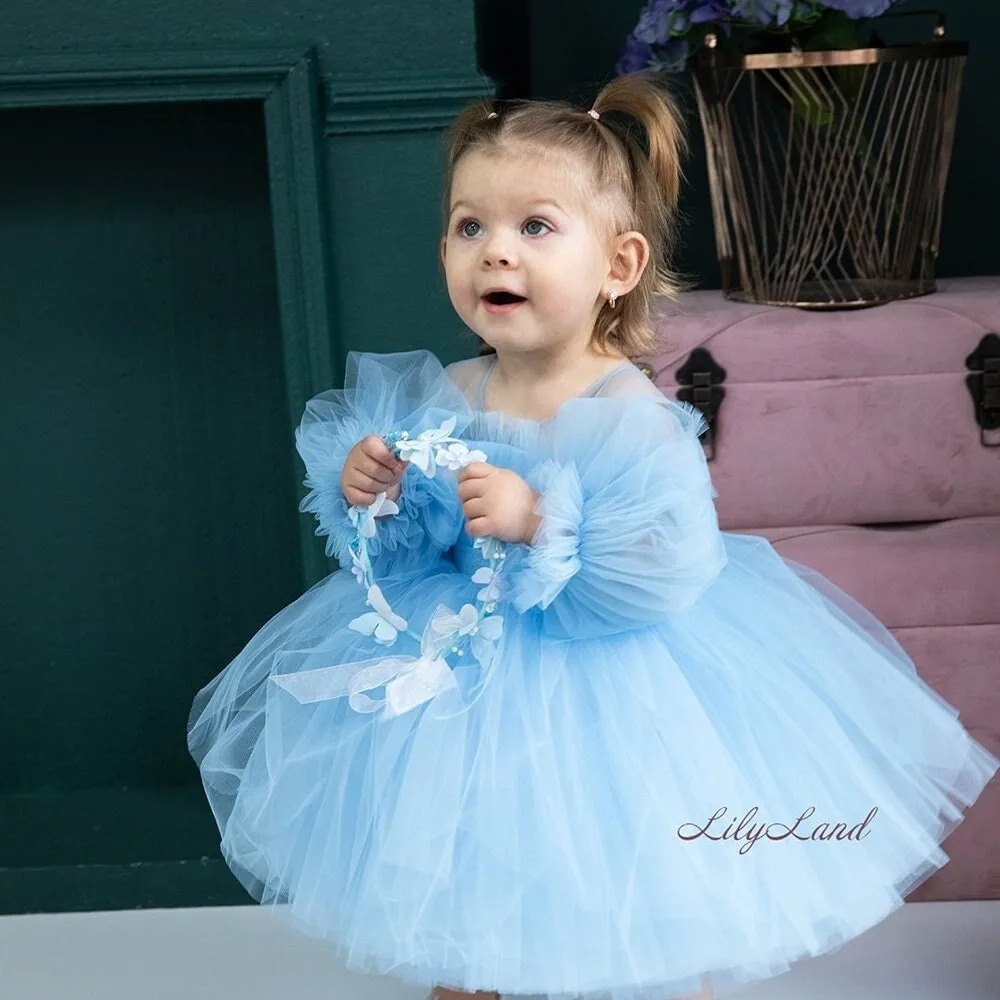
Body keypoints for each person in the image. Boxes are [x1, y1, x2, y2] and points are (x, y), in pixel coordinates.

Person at [187, 71, 999, 1000]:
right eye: (469, 227)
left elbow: (667, 565)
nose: (496, 253)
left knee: (622, 885)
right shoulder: (446, 393)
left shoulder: (627, 410)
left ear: (618, 265)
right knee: (465, 884)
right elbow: (403, 559)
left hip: (610, 684)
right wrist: (380, 497)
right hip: (460, 689)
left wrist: (540, 523)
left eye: (535, 226)